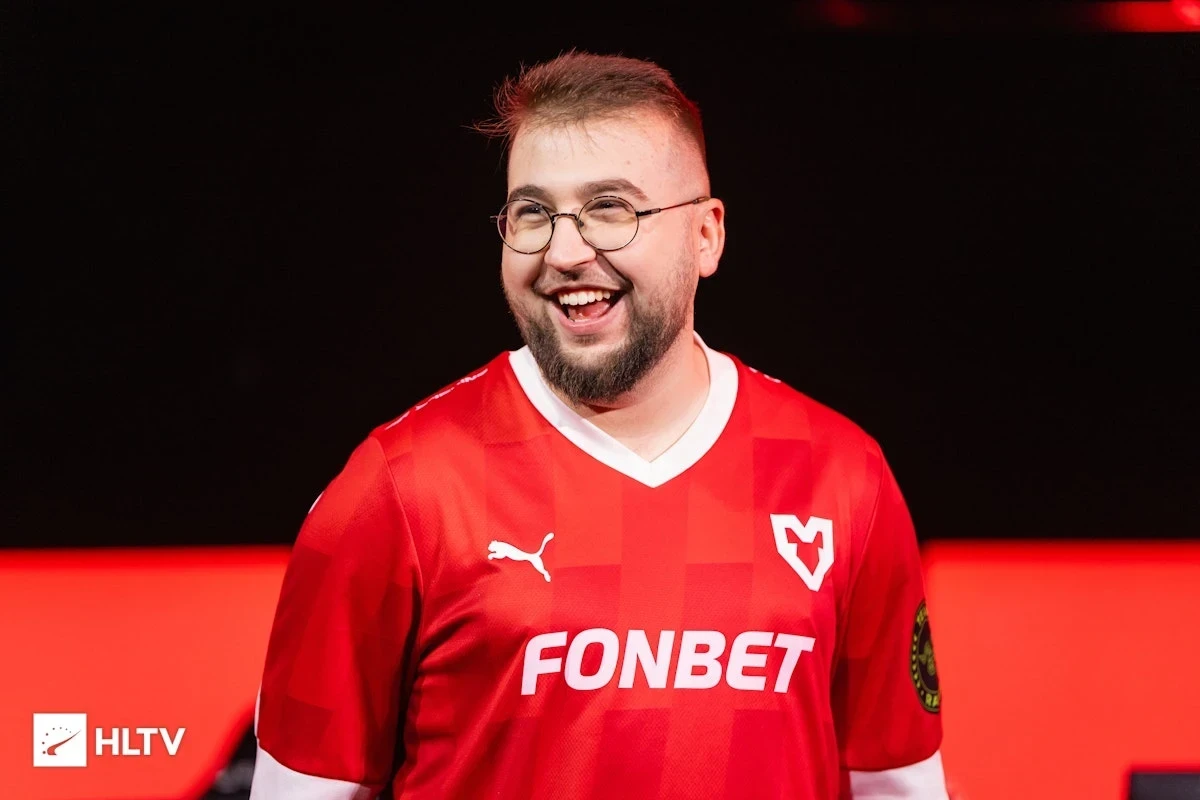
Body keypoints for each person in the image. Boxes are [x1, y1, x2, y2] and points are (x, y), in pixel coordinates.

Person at [249, 50, 948, 799]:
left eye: (610, 209)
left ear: (706, 235)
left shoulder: (842, 475)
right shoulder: (397, 487)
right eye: (532, 213)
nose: (564, 252)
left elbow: (897, 785)